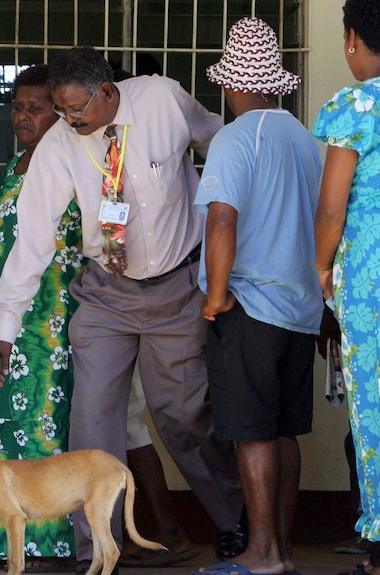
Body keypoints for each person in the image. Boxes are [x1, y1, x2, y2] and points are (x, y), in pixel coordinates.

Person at [0, 46, 246, 572]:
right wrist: (5, 329)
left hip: (176, 288)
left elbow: (219, 139)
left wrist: (242, 234)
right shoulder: (61, 143)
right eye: (61, 110)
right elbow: (32, 238)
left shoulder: (161, 100)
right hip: (106, 289)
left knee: (183, 418)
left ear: (108, 91)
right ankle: (97, 551)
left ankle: (238, 522)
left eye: (77, 109)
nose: (69, 120)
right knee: (93, 424)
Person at [192, 17, 323, 575]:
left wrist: (215, 297)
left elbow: (222, 220)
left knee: (250, 432)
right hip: (300, 310)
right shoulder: (306, 141)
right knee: (283, 430)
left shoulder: (234, 138)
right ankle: (284, 550)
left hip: (249, 307)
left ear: (232, 83)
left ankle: (261, 552)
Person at [0, 64, 83, 570]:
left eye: (35, 108)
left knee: (43, 427)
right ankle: (1, 543)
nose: (22, 117)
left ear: (60, 114)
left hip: (47, 324)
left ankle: (47, 543)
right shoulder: (13, 168)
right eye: (17, 106)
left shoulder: (76, 166)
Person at [313, 1, 380, 574]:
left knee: (375, 407)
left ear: (354, 39)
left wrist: (319, 266)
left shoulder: (356, 105)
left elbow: (332, 207)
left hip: (369, 283)